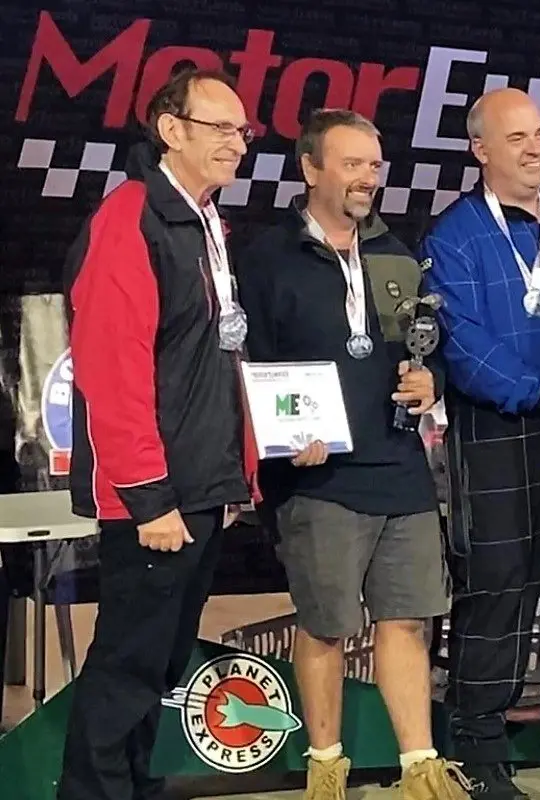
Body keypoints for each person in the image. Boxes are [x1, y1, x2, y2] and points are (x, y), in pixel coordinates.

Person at [237, 109, 468, 799]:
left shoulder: (399, 253)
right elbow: (247, 364)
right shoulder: (267, 257)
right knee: (326, 626)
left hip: (398, 468)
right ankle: (326, 769)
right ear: (310, 169)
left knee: (406, 619)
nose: (368, 177)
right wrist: (278, 436)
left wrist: (433, 383)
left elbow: (431, 346)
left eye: (374, 164)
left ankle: (419, 767)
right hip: (317, 477)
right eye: (352, 164)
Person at [56, 68, 259, 800]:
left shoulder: (202, 222)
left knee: (159, 665)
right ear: (171, 131)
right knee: (129, 666)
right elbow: (112, 370)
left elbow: (209, 363)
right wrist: (148, 497)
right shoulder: (132, 218)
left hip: (196, 486)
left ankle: (131, 788)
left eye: (244, 131)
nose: (239, 143)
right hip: (156, 499)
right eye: (223, 128)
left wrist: (231, 478)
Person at [421, 87, 540, 798]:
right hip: (501, 432)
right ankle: (479, 741)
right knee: (499, 587)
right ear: (480, 150)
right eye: (517, 136)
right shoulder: (453, 235)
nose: (536, 147)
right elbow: (462, 346)